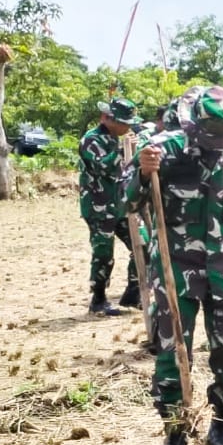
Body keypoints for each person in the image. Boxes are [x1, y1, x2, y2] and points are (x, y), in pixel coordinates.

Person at [125, 87, 223, 445]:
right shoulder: (163, 148)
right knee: (174, 355)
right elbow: (128, 201)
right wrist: (143, 172)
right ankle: (175, 430)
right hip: (177, 270)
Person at [79, 97, 143, 316]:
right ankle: (98, 299)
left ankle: (133, 294)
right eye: (124, 122)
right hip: (99, 207)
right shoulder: (91, 140)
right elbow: (105, 167)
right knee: (104, 254)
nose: (127, 127)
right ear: (107, 119)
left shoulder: (122, 139)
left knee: (142, 244)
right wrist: (128, 152)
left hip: (122, 205)